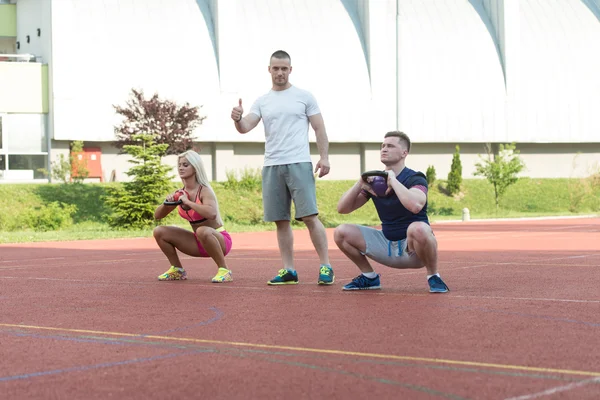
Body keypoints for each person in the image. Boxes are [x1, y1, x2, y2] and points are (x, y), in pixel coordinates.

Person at [230, 50, 334, 286]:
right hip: (272, 164)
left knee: (309, 216)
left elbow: (319, 128)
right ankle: (289, 270)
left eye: (284, 68)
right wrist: (237, 118)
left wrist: (324, 157)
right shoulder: (262, 101)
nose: (279, 72)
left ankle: (326, 266)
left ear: (290, 70)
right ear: (269, 70)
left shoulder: (304, 96)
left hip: (299, 162)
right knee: (280, 220)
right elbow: (246, 127)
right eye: (275, 68)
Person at [334, 131, 450, 293]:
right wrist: (360, 182)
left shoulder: (415, 178)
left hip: (414, 250)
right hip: (386, 244)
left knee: (419, 228)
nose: (384, 149)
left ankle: (433, 276)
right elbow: (343, 209)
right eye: (382, 146)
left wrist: (393, 181)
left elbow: (415, 205)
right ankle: (369, 277)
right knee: (341, 232)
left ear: (404, 153)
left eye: (390, 146)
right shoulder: (375, 181)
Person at [153, 150, 233, 283]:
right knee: (159, 231)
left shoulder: (205, 190)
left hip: (219, 240)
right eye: (179, 165)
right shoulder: (180, 193)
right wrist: (167, 204)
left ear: (195, 168)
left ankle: (224, 270)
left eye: (185, 165)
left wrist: (188, 202)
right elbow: (157, 216)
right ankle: (177, 270)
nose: (181, 168)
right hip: (198, 242)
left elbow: (212, 214)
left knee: (202, 230)